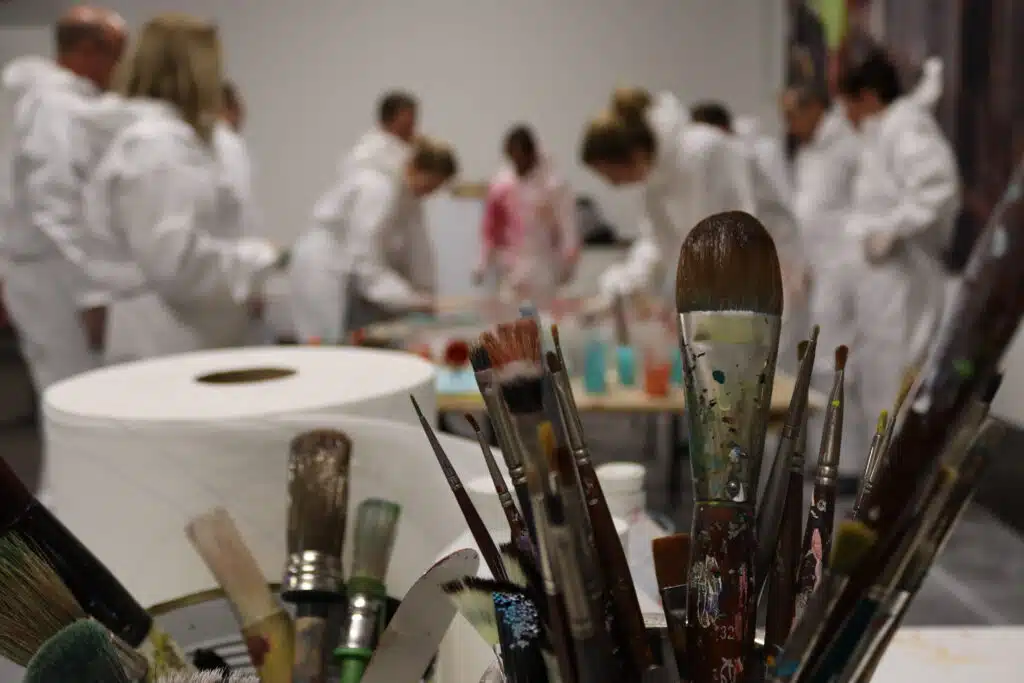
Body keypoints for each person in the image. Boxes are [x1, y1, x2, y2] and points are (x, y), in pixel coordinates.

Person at [80, 13, 287, 363]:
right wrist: (258, 259)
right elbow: (177, 265)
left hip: (184, 334)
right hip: (168, 340)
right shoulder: (157, 148)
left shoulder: (172, 142)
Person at [835, 51, 960, 489]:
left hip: (904, 279)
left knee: (899, 379)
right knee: (880, 379)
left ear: (868, 97)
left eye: (849, 104)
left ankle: (897, 488)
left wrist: (892, 230)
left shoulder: (906, 127)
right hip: (882, 283)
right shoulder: (884, 131)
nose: (846, 116)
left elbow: (938, 187)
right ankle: (881, 483)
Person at [1, 6, 127, 391]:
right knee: (73, 391)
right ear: (88, 50)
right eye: (117, 55)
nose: (120, 68)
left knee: (76, 387)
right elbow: (55, 204)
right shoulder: (54, 107)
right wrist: (92, 292)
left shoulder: (56, 103)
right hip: (54, 274)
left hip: (54, 269)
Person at [581, 87, 756, 308]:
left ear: (634, 155)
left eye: (611, 174)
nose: (613, 184)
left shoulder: (703, 151)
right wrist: (619, 288)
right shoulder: (655, 179)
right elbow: (656, 244)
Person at [289, 136, 458, 343]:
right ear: (416, 167)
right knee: (324, 346)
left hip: (344, 273)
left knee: (341, 345)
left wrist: (422, 294)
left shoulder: (403, 194)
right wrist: (411, 299)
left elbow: (416, 251)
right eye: (430, 185)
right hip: (323, 270)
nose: (428, 194)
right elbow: (365, 261)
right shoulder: (378, 188)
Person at [689, 101, 810, 374]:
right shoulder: (718, 164)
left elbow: (781, 210)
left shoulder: (753, 155)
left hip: (780, 264)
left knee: (778, 361)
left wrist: (796, 265)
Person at [474, 125, 579, 306]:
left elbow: (567, 226)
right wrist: (482, 263)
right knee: (512, 314)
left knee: (542, 313)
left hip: (544, 263)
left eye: (521, 157)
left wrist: (568, 264)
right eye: (512, 157)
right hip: (511, 265)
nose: (517, 162)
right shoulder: (501, 184)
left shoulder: (553, 185)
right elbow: (490, 228)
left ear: (532, 154)